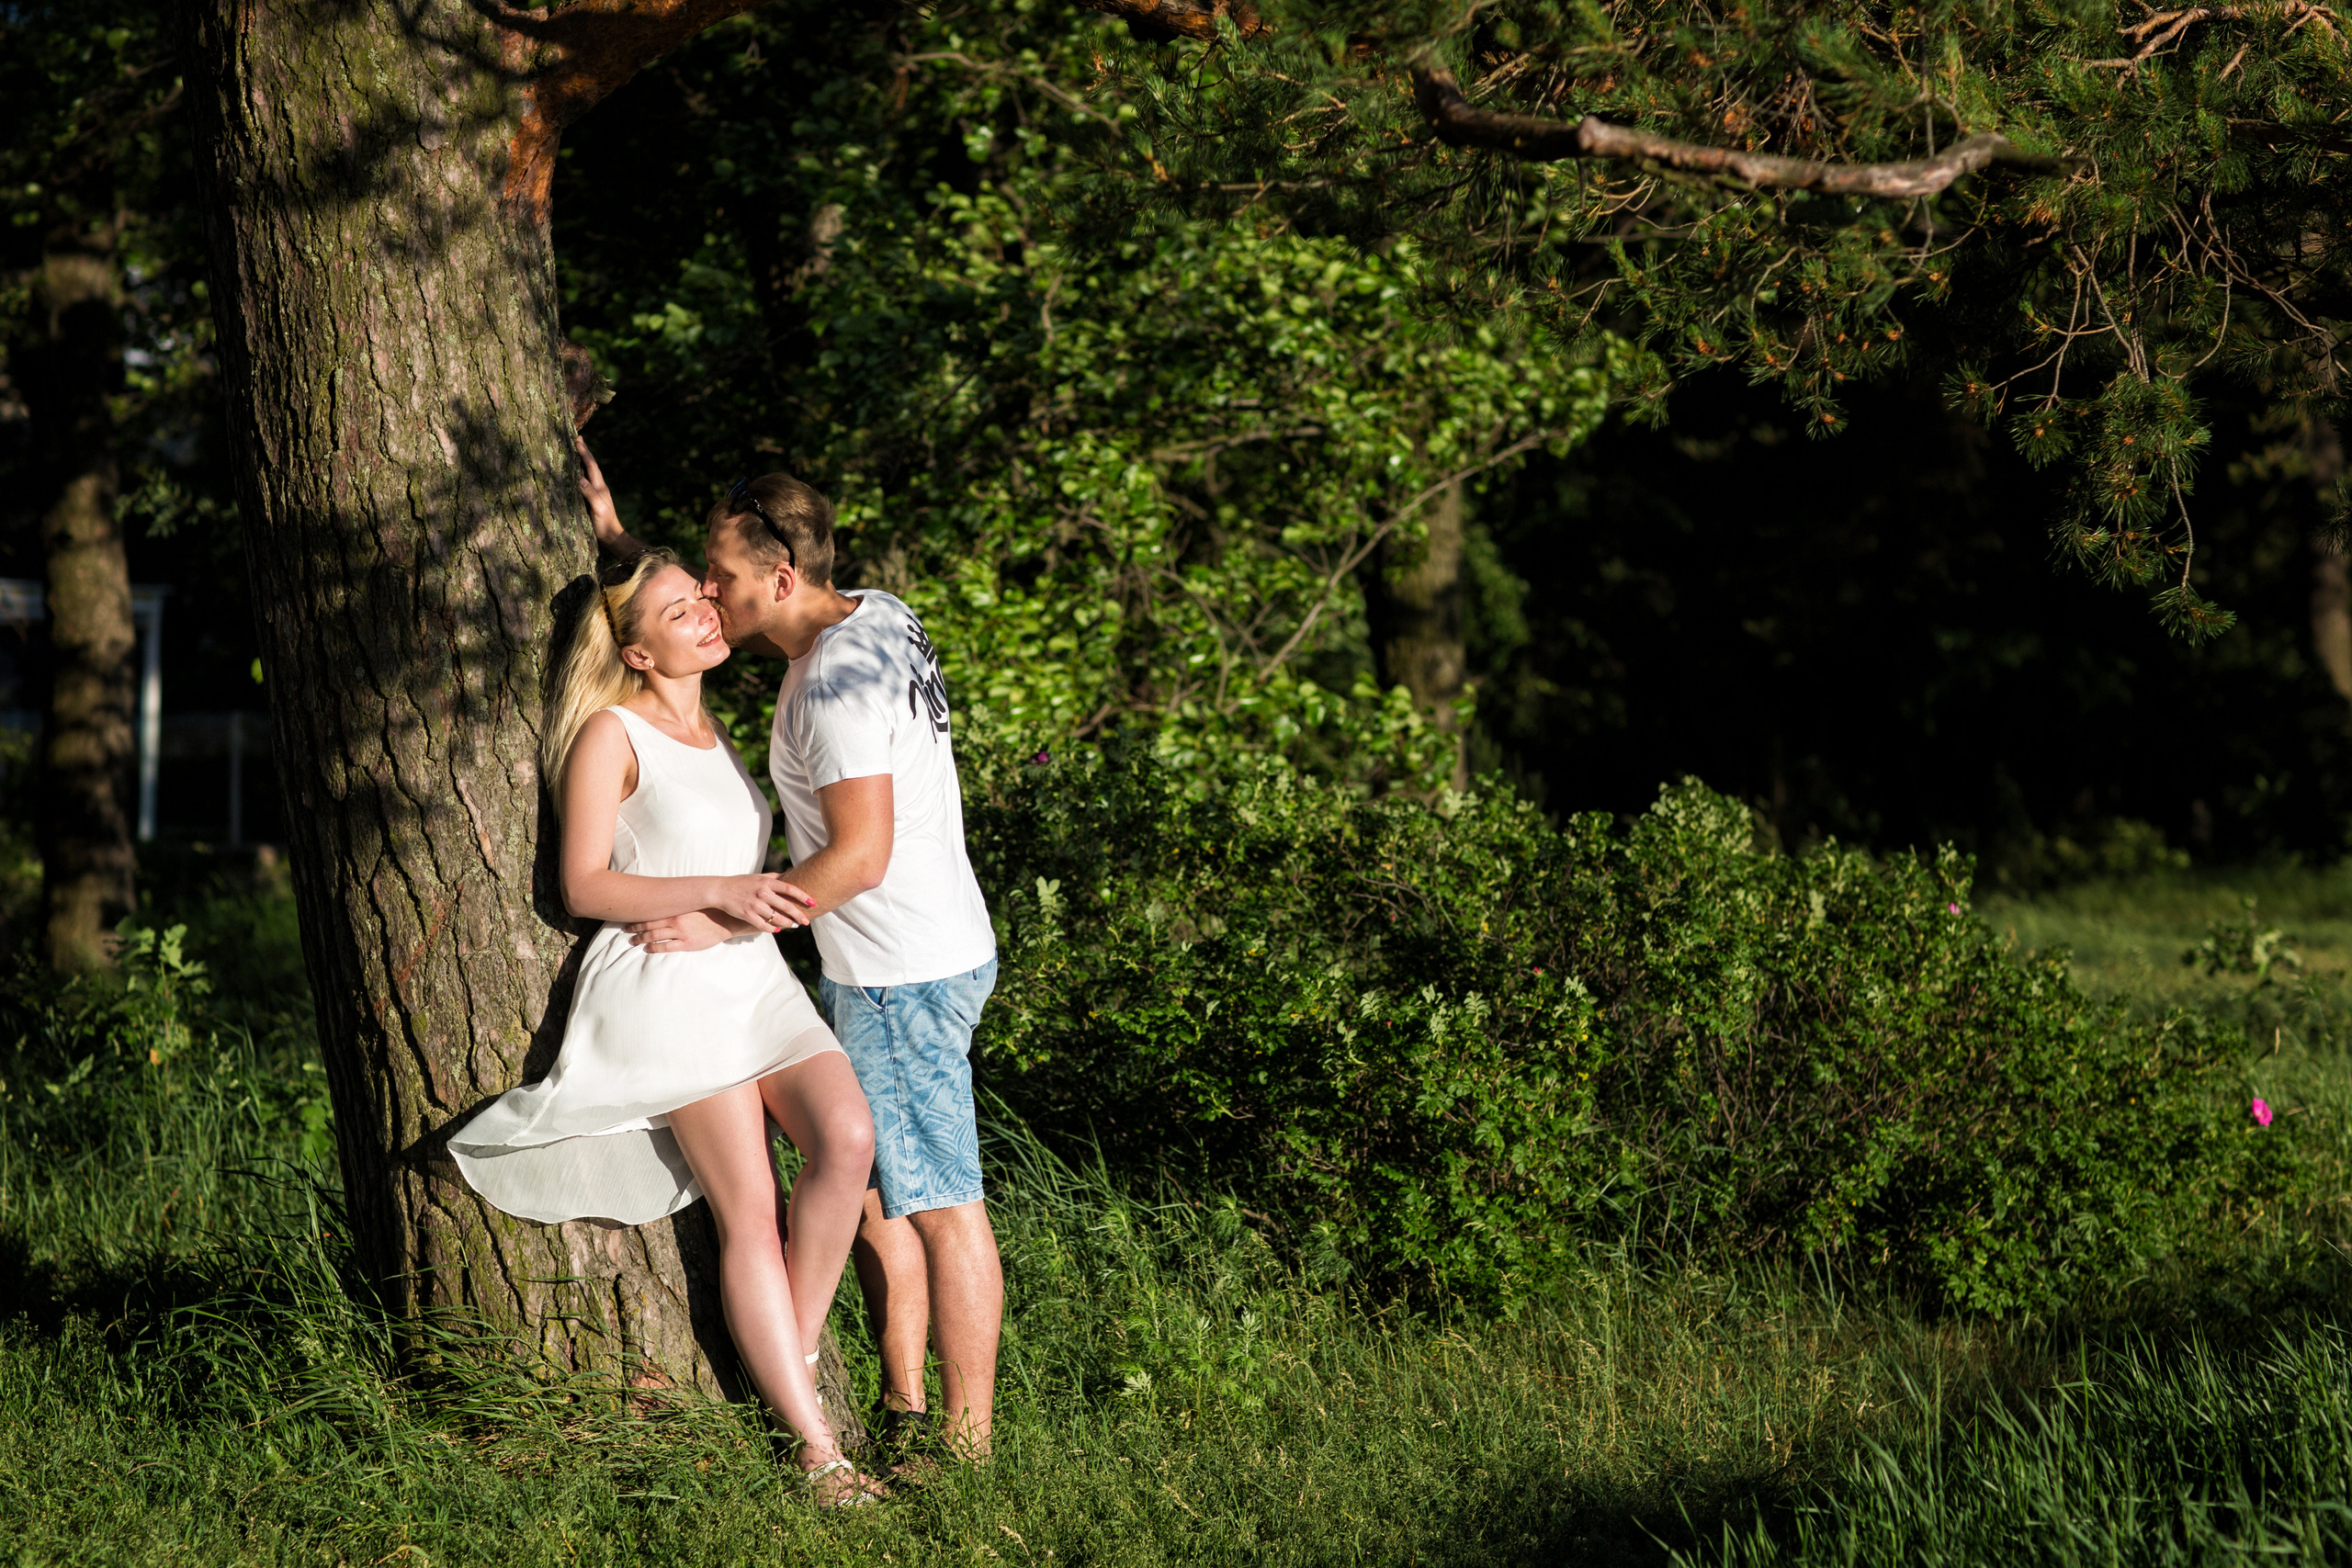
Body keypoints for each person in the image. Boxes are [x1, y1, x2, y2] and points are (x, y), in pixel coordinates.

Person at [581, 443, 1004, 1462]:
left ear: (780, 579)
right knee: (881, 1197)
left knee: (944, 1208)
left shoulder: (833, 691)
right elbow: (683, 605)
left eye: (721, 578)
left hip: (900, 972)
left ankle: (970, 1449)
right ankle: (904, 1408)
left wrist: (723, 918)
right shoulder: (876, 613)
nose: (710, 595)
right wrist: (617, 540)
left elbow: (860, 856)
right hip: (933, 947)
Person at [449, 547, 885, 1506]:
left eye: (700, 596)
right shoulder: (612, 733)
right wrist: (721, 890)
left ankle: (795, 1347)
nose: (704, 611)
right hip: (670, 987)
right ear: (638, 653)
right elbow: (584, 884)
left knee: (849, 1140)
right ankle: (819, 1455)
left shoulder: (717, 729)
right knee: (751, 1209)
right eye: (678, 610)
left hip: (754, 976)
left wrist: (613, 523)